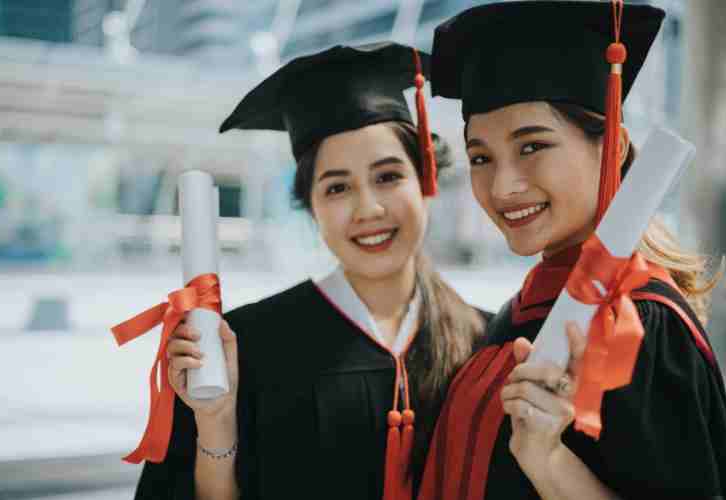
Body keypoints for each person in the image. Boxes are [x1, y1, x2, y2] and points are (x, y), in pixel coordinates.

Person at [133, 42, 489, 500]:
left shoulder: (485, 340)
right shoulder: (245, 345)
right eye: (337, 187)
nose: (369, 208)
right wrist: (216, 421)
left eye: (388, 176)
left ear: (426, 179)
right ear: (311, 206)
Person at [417, 2, 726, 499]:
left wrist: (548, 461)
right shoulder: (519, 313)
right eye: (481, 156)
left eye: (532, 146)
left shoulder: (636, 327)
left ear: (611, 145)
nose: (502, 186)